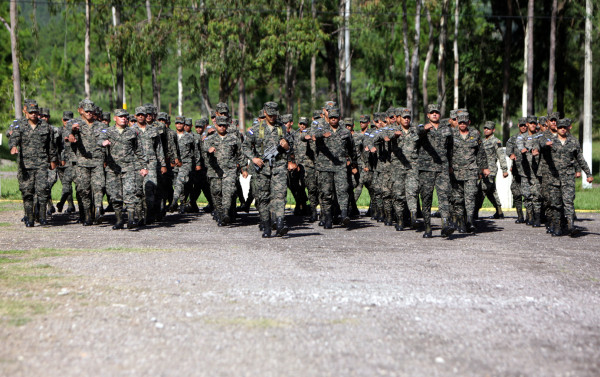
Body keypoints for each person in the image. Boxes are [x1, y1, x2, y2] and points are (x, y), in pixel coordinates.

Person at [242, 102, 292, 237]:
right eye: (270, 115)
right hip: (262, 169)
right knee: (263, 198)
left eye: (274, 115)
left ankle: (280, 223)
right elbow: (245, 146)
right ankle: (266, 225)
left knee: (280, 195)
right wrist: (253, 158)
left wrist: (286, 146)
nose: (272, 117)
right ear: (265, 113)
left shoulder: (282, 128)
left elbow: (291, 148)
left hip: (279, 167)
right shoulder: (256, 129)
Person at [539, 119, 593, 236]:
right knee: (556, 203)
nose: (562, 129)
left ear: (568, 127)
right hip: (554, 177)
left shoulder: (573, 141)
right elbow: (540, 144)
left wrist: (588, 174)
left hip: (568, 177)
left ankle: (571, 226)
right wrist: (545, 145)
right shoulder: (550, 141)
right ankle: (557, 227)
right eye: (560, 127)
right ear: (557, 128)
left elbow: (580, 159)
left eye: (565, 127)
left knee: (568, 201)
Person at [98, 109, 149, 229]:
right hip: (113, 169)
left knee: (130, 193)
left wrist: (143, 167)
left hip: (129, 167)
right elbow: (99, 140)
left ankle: (131, 220)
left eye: (125, 117)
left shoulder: (132, 132)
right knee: (115, 196)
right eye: (121, 117)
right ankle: (119, 220)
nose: (124, 118)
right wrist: (103, 143)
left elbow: (139, 150)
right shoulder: (108, 131)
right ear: (115, 118)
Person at [9, 102, 58, 227]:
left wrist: (53, 160)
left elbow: (51, 146)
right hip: (25, 165)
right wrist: (13, 146)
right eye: (31, 112)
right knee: (27, 192)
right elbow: (14, 138)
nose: (33, 114)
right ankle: (29, 218)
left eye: (35, 112)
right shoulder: (20, 126)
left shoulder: (45, 127)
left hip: (41, 163)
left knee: (42, 190)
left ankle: (42, 216)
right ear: (26, 113)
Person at [313, 107, 356, 229]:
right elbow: (313, 134)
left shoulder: (345, 132)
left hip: (340, 166)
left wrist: (353, 163)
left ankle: (343, 215)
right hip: (324, 167)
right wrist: (322, 135)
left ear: (339, 118)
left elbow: (352, 149)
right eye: (331, 118)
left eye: (335, 118)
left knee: (343, 190)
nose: (333, 120)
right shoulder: (321, 128)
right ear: (328, 118)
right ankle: (327, 217)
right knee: (326, 193)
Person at [416, 104, 454, 238]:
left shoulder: (447, 130)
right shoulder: (422, 128)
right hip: (426, 169)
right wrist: (424, 130)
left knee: (444, 196)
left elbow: (450, 148)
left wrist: (450, 165)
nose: (434, 115)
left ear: (440, 115)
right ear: (428, 115)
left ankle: (445, 225)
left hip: (442, 168)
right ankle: (427, 226)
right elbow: (416, 134)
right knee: (426, 198)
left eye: (436, 113)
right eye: (432, 113)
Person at [449, 114, 490, 233]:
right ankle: (461, 222)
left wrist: (484, 168)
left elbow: (481, 153)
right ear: (457, 122)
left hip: (471, 171)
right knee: (458, 199)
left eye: (464, 122)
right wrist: (449, 166)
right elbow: (448, 152)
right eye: (460, 122)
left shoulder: (475, 134)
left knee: (470, 197)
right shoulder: (452, 134)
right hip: (456, 172)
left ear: (469, 122)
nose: (462, 124)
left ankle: (470, 221)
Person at [68, 100, 106, 225]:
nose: (89, 113)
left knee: (98, 186)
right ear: (81, 111)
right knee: (84, 189)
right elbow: (68, 133)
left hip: (97, 161)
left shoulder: (101, 126)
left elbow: (104, 137)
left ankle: (98, 209)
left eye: (91, 111)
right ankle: (87, 214)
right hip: (82, 162)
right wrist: (72, 133)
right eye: (87, 111)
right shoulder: (75, 124)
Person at [203, 115, 243, 225]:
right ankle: (220, 214)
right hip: (215, 171)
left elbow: (240, 153)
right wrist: (209, 149)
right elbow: (204, 147)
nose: (222, 127)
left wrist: (243, 167)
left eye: (224, 126)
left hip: (229, 170)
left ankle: (226, 212)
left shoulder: (233, 138)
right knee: (216, 193)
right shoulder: (210, 138)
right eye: (219, 125)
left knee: (228, 191)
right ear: (216, 126)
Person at [476, 121, 508, 219]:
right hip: (482, 169)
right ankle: (499, 211)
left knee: (482, 189)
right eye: (485, 128)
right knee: (491, 191)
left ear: (493, 130)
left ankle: (474, 211)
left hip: (490, 170)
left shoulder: (496, 141)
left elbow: (501, 156)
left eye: (488, 129)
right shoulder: (482, 141)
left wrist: (504, 169)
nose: (486, 130)